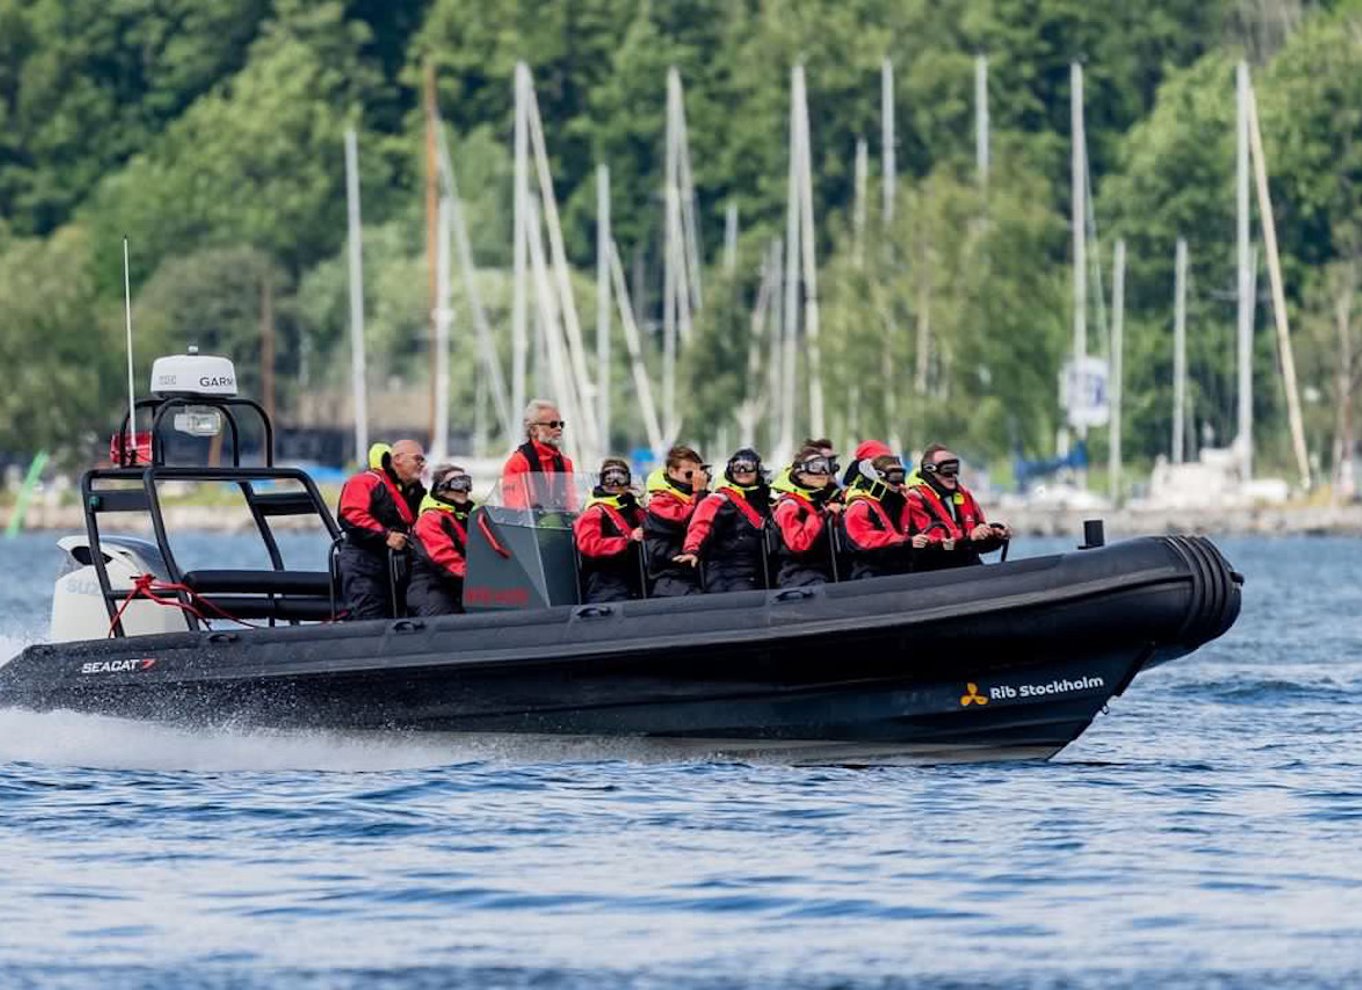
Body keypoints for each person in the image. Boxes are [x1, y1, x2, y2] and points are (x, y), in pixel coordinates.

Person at [336, 439, 427, 620]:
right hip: (363, 565)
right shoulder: (365, 482)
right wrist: (385, 535)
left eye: (423, 460)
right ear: (398, 459)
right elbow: (350, 514)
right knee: (369, 618)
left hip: (396, 568)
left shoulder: (414, 492)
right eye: (418, 459)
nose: (422, 464)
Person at [675, 448, 773, 593]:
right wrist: (692, 550)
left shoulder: (765, 503)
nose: (742, 471)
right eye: (736, 467)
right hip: (728, 575)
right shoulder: (719, 500)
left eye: (748, 466)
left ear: (758, 470)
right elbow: (701, 524)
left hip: (756, 574)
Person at [907, 443, 1011, 571]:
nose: (952, 475)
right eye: (947, 469)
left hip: (969, 569)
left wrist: (994, 536)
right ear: (930, 469)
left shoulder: (964, 496)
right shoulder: (914, 499)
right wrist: (969, 539)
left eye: (955, 468)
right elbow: (932, 546)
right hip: (936, 572)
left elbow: (978, 544)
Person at [841, 453, 928, 580]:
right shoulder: (860, 506)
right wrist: (905, 541)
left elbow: (919, 529)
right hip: (871, 573)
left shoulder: (903, 503)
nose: (898, 482)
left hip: (903, 569)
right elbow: (863, 540)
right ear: (878, 476)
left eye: (900, 476)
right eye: (893, 476)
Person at [406, 463, 476, 616]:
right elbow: (444, 559)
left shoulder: (467, 518)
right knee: (451, 623)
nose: (464, 489)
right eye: (458, 483)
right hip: (432, 588)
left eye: (467, 483)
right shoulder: (430, 519)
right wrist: (478, 579)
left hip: (458, 587)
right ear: (442, 488)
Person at [573, 458, 646, 603]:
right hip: (605, 587)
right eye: (609, 478)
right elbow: (589, 545)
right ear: (602, 481)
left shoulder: (635, 509)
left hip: (636, 584)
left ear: (628, 481)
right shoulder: (594, 512)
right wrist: (626, 540)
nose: (615, 484)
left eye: (620, 478)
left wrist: (642, 499)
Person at [643, 445, 710, 597]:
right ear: (672, 472)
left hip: (696, 573)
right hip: (670, 577)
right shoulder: (660, 501)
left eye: (699, 473)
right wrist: (698, 493)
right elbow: (684, 520)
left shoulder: (698, 496)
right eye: (689, 474)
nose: (695, 478)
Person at [771, 446, 843, 586]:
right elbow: (798, 544)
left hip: (824, 571)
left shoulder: (819, 500)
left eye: (826, 466)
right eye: (816, 466)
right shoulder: (789, 505)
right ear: (800, 474)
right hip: (799, 576)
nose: (823, 472)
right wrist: (823, 515)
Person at [501, 399, 577, 510]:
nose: (559, 428)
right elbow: (515, 509)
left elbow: (572, 505)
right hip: (528, 525)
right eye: (553, 424)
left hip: (561, 524)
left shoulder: (566, 464)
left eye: (561, 424)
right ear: (533, 430)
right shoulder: (517, 463)